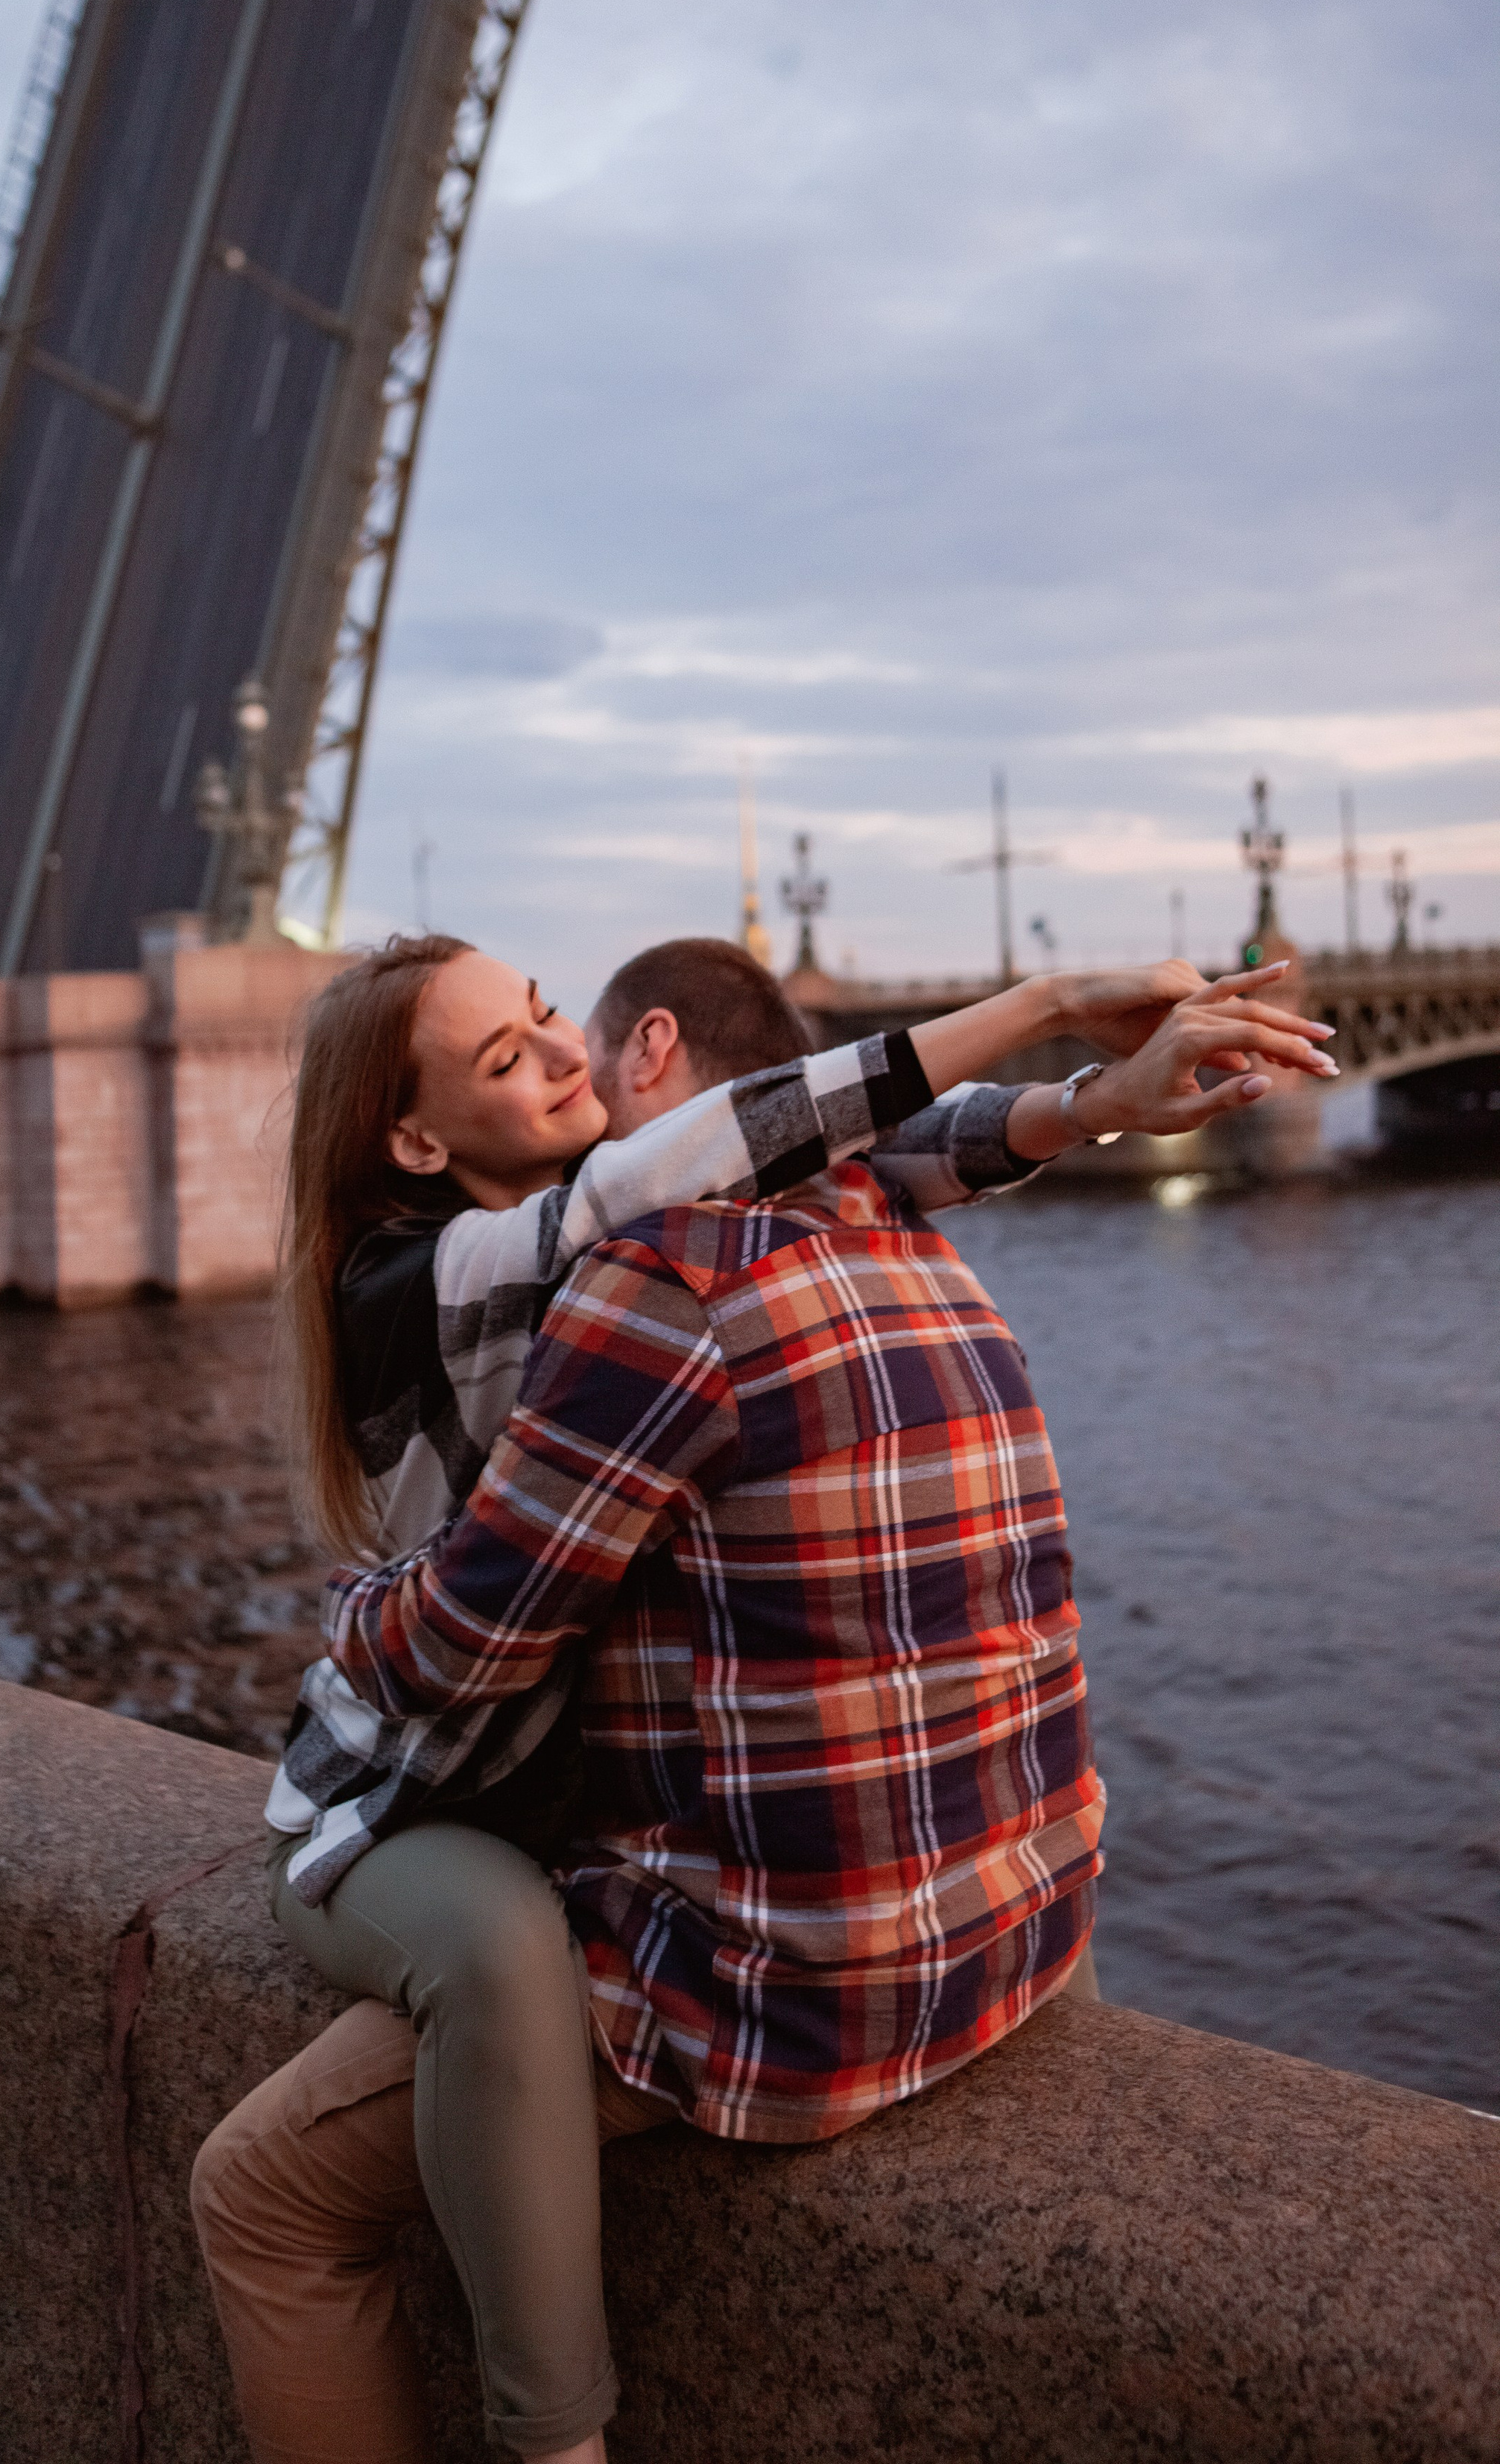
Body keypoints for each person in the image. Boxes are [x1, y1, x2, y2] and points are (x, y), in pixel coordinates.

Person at [192, 937, 1337, 2464]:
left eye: (555, 1023)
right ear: (409, 1139)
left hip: (785, 1993)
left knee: (260, 2189)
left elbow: (456, 1649)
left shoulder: (657, 1274)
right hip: (1026, 1929)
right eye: (507, 1055)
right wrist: (1084, 1091)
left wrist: (1080, 1086)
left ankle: (548, 2438)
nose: (565, 1063)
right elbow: (787, 1153)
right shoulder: (804, 1237)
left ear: (645, 1044)